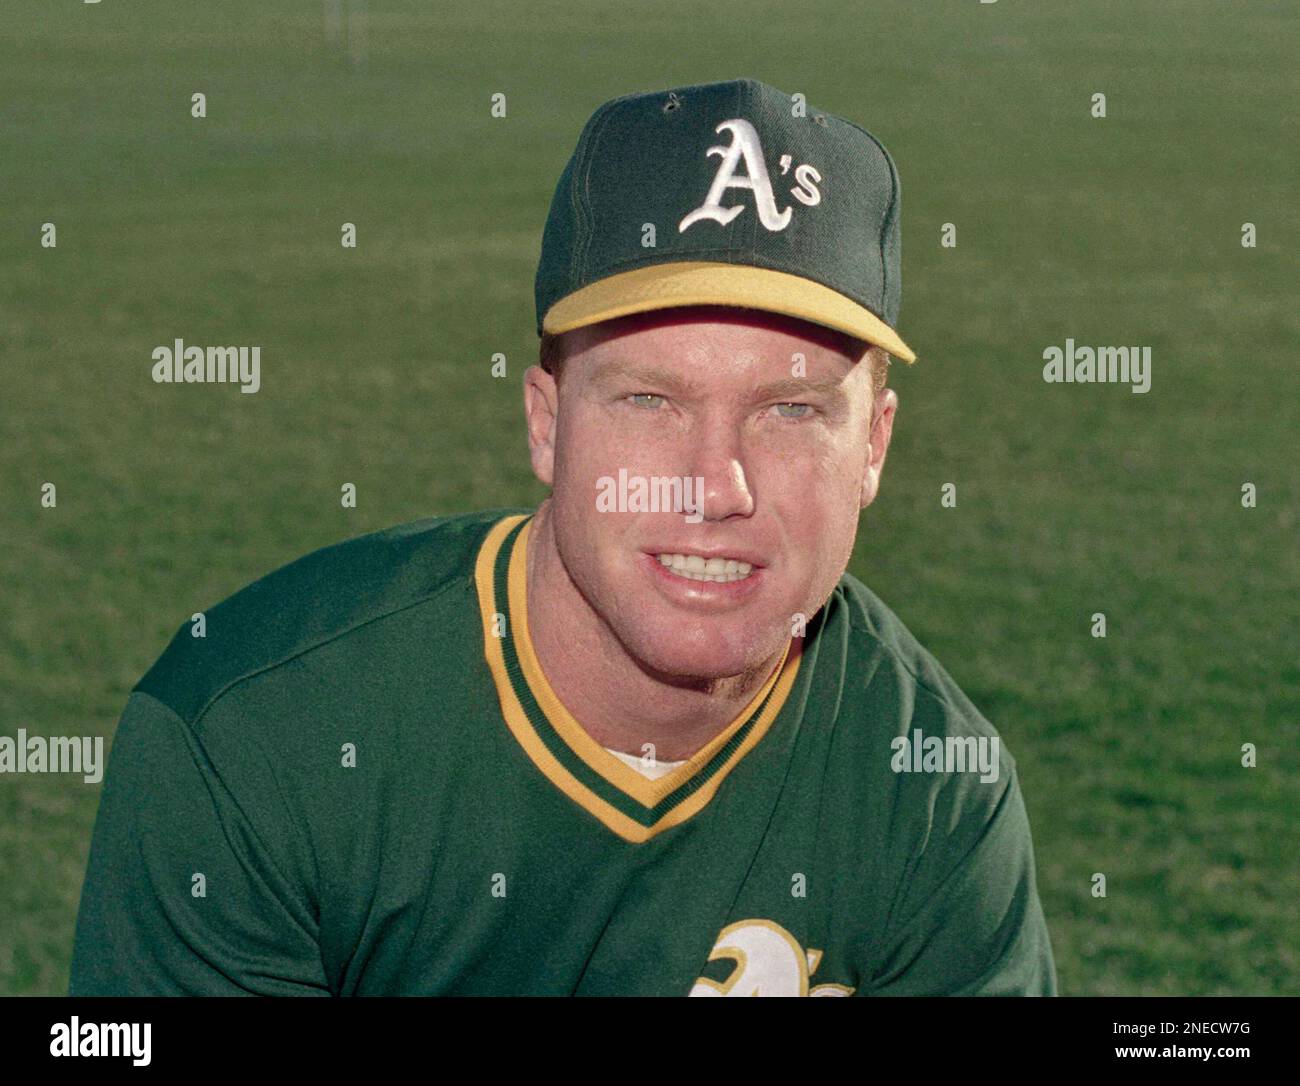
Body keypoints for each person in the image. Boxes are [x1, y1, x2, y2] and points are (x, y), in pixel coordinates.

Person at [70, 77, 1056, 996]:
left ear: (875, 446)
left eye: (791, 409)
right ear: (546, 423)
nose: (717, 485)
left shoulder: (929, 792)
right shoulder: (253, 738)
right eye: (647, 399)